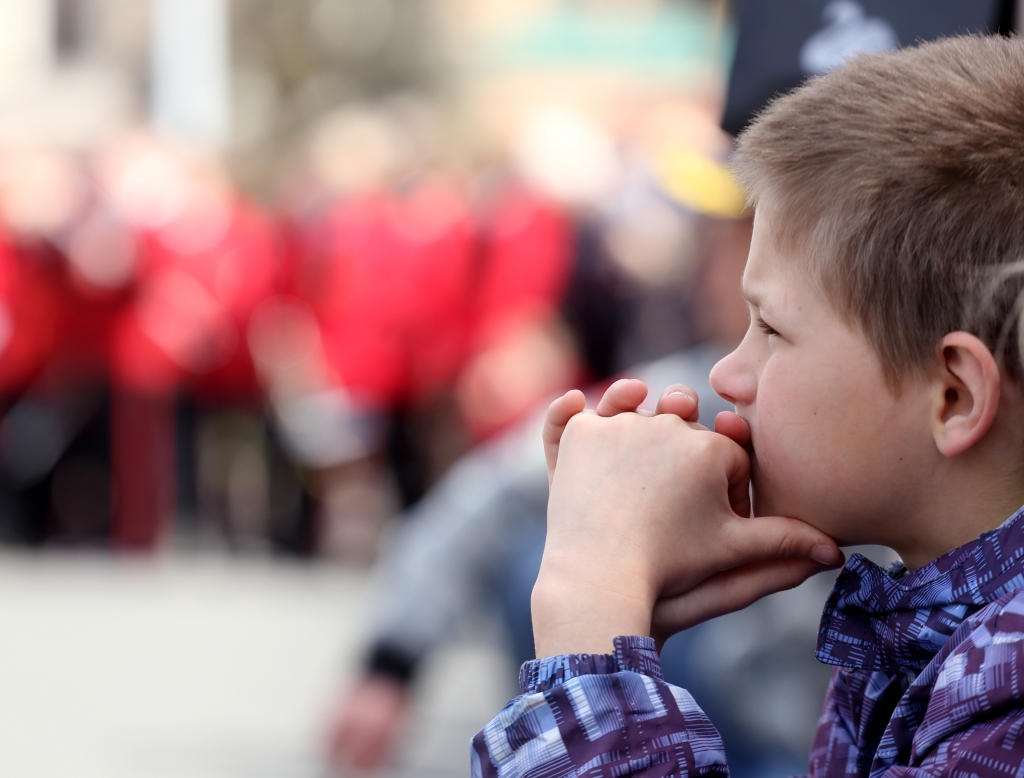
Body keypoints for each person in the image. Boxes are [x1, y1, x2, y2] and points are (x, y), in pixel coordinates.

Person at [472, 35, 1024, 777]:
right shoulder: (925, 634)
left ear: (954, 396)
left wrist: (589, 615)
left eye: (770, 329)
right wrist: (631, 639)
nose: (728, 375)